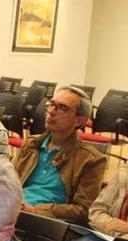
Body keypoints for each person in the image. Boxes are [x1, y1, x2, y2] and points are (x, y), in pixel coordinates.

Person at [14, 86, 107, 224]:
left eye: (62, 108)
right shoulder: (31, 145)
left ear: (80, 121)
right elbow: (10, 182)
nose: (51, 112)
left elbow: (83, 210)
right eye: (51, 105)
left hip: (47, 222)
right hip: (13, 211)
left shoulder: (91, 159)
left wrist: (35, 210)